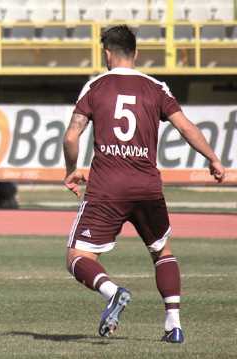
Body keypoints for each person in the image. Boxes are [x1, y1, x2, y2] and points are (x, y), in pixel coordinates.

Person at [63, 25, 225, 343]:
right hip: (147, 187)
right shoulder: (156, 88)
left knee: (77, 256)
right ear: (136, 53)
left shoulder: (95, 87)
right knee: (162, 250)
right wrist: (213, 158)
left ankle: (112, 292)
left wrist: (71, 169)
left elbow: (71, 135)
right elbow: (186, 127)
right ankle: (174, 325)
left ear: (106, 53)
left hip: (107, 187)